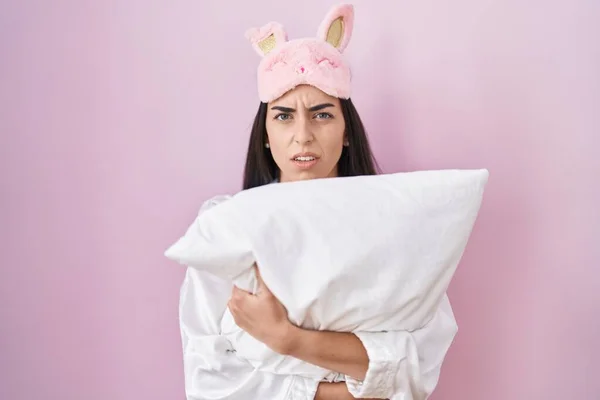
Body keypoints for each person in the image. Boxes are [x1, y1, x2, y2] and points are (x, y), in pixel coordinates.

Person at [176, 4, 458, 399]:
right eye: (284, 116)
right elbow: (209, 373)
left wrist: (286, 340)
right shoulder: (227, 225)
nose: (303, 136)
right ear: (265, 135)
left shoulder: (396, 222)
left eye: (323, 115)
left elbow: (420, 360)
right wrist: (350, 379)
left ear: (346, 131)